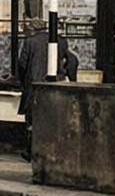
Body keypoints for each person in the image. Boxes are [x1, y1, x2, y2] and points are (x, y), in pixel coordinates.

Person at [15, 16, 76, 161]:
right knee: (54, 118)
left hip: (35, 85)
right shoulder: (60, 41)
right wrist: (70, 77)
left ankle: (32, 150)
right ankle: (54, 151)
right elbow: (72, 60)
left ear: (32, 29)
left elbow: (22, 64)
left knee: (32, 119)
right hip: (56, 84)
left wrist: (23, 81)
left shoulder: (30, 42)